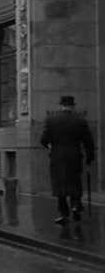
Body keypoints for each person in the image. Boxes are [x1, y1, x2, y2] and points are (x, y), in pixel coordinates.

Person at [40, 95, 96, 224]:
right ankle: (76, 205)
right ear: (72, 106)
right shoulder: (80, 121)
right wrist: (90, 158)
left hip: (57, 155)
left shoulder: (51, 120)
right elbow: (88, 142)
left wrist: (50, 146)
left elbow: (43, 140)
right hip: (74, 155)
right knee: (74, 181)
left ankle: (64, 213)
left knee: (59, 184)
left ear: (61, 105)